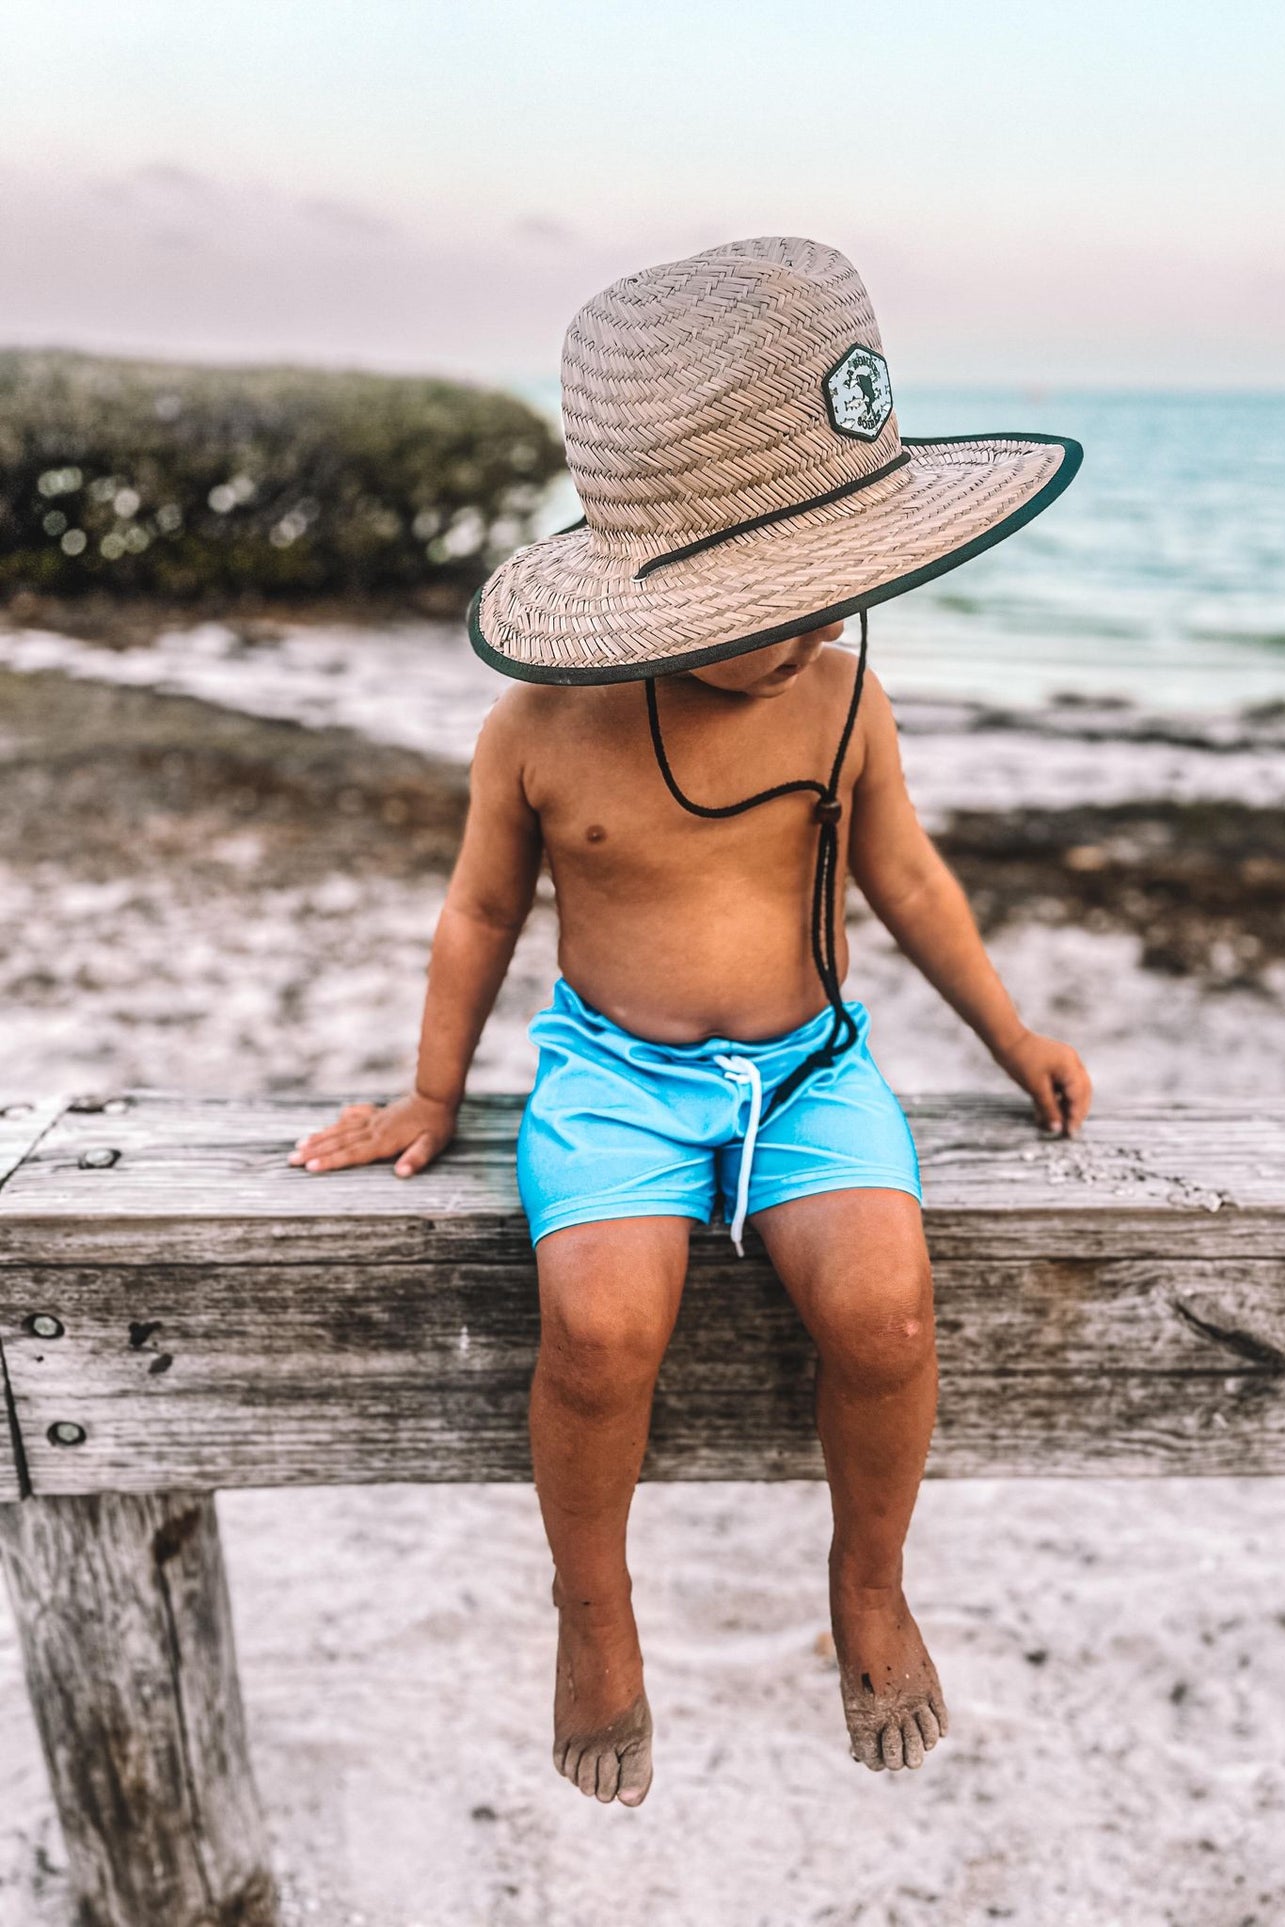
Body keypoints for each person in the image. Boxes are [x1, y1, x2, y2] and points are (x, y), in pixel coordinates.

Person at [291, 237, 1091, 1807]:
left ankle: (866, 1586)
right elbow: (477, 913)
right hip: (611, 1081)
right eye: (759, 600)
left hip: (808, 1075)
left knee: (884, 1314)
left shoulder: (843, 700)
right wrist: (432, 1095)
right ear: (649, 588)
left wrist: (1012, 1041)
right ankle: (593, 1610)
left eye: (825, 590)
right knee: (599, 1330)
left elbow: (911, 885)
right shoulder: (538, 729)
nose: (802, 629)